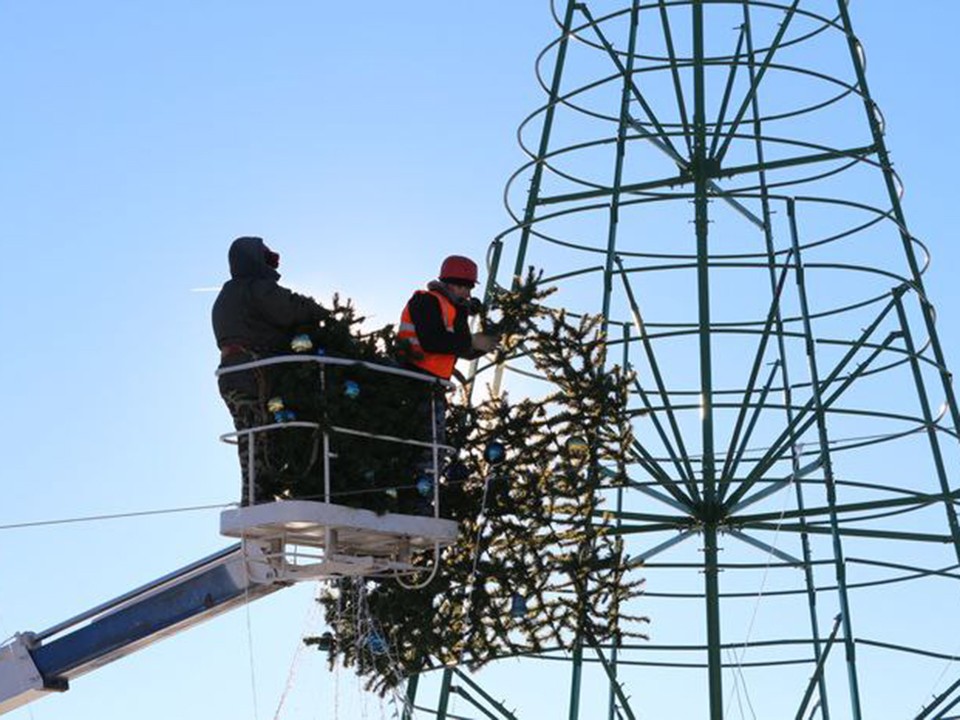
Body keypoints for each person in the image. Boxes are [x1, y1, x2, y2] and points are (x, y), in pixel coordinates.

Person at [212, 236, 328, 505]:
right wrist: (320, 313)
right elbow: (291, 311)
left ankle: (252, 495)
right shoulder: (257, 289)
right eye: (266, 256)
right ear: (253, 259)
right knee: (266, 434)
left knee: (248, 437)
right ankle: (261, 496)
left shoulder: (226, 296)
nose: (272, 261)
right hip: (255, 374)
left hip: (230, 374)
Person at [397, 256, 500, 512]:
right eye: (462, 286)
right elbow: (433, 341)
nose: (466, 292)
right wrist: (472, 343)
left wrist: (484, 345)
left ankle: (421, 501)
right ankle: (414, 502)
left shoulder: (455, 309)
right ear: (448, 283)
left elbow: (460, 348)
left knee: (433, 448)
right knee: (423, 448)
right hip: (410, 381)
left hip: (432, 386)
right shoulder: (426, 300)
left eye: (469, 287)